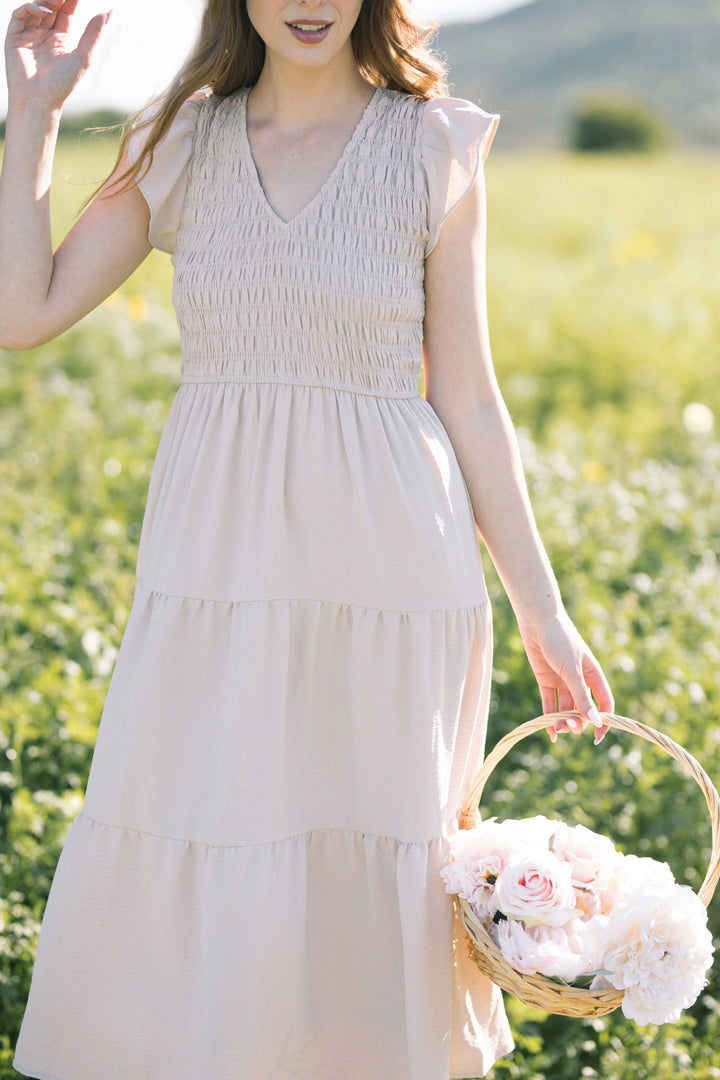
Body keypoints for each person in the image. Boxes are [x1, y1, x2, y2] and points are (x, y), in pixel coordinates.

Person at [2, 1, 614, 1077]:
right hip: (217, 569)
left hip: (394, 570)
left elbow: (467, 397)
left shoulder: (435, 143)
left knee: (371, 874)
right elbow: (25, 310)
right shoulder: (179, 139)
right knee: (201, 824)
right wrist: (34, 114)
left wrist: (541, 605)